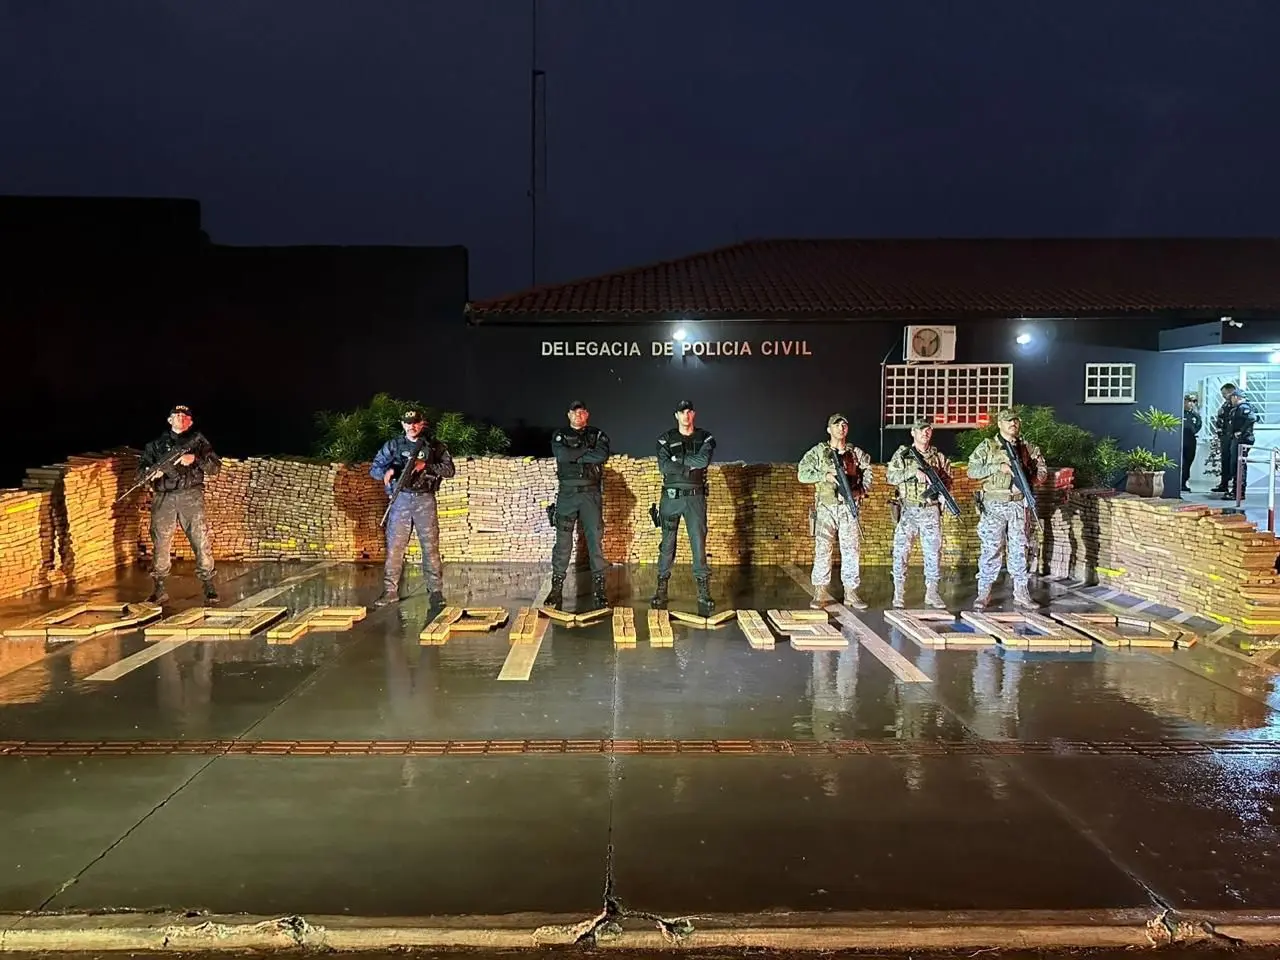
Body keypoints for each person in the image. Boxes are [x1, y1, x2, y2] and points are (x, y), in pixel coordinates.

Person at [370, 409, 455, 607]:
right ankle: (390, 591)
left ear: (422, 423)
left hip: (424, 500)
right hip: (401, 500)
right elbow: (375, 469)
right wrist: (388, 470)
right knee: (395, 549)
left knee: (430, 548)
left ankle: (435, 592)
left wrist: (425, 466)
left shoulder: (434, 446)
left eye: (416, 422)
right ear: (402, 424)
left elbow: (449, 470)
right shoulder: (393, 445)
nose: (412, 426)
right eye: (408, 423)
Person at [136, 405, 221, 604]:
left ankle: (208, 583)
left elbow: (215, 467)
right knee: (161, 542)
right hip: (164, 497)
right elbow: (141, 472)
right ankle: (159, 587)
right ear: (169, 420)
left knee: (200, 539)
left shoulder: (198, 443)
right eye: (176, 416)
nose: (180, 419)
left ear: (190, 422)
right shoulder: (155, 446)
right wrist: (151, 473)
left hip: (190, 495)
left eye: (185, 416)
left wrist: (195, 458)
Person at [965, 408, 1047, 611]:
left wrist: (1032, 476)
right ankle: (984, 593)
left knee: (1020, 548)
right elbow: (972, 470)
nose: (1013, 424)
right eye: (1008, 421)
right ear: (1000, 424)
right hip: (994, 504)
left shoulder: (1027, 447)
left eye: (1016, 421)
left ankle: (1021, 593)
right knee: (991, 549)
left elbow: (1042, 470)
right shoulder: (988, 446)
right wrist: (997, 467)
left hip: (1018, 503)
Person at [797, 414, 871, 609]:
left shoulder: (855, 453)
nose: (841, 428)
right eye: (836, 425)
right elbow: (802, 473)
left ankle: (851, 592)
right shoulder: (819, 452)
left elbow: (868, 472)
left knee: (851, 550)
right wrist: (824, 475)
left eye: (844, 425)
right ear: (829, 429)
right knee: (823, 549)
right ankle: (820, 591)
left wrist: (860, 491)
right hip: (826, 507)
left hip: (848, 507)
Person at [651, 400, 716, 615]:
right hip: (671, 499)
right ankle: (661, 589)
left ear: (693, 414)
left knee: (698, 545)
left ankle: (703, 592)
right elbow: (663, 466)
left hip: (695, 499)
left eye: (689, 411)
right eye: (682, 412)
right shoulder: (665, 438)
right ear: (676, 416)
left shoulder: (705, 437)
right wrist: (690, 464)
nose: (686, 415)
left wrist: (677, 460)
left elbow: (704, 460)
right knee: (667, 545)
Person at [546, 400, 611, 609]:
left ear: (587, 415)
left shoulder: (598, 434)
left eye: (581, 412)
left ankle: (600, 590)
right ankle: (556, 590)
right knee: (563, 543)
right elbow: (562, 455)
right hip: (567, 496)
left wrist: (575, 456)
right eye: (574, 412)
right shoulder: (560, 435)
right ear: (569, 415)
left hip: (590, 495)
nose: (578, 415)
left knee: (595, 542)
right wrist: (585, 453)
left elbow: (602, 455)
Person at [886, 419, 952, 610]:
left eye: (928, 430)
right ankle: (898, 593)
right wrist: (913, 471)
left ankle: (932, 593)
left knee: (933, 553)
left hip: (930, 510)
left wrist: (942, 493)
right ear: (913, 433)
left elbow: (948, 480)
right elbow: (891, 477)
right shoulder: (903, 455)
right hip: (909, 510)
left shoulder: (938, 457)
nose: (925, 433)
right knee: (901, 553)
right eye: (921, 430)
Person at [1222, 391, 1257, 500]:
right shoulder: (1238, 408)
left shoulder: (1243, 407)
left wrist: (1241, 432)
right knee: (1235, 465)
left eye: (1232, 398)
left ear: (1236, 397)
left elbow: (1252, 418)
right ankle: (1236, 491)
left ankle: (1239, 492)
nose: (1230, 401)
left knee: (1238, 465)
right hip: (1237, 440)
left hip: (1242, 440)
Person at [1210, 383, 1238, 493]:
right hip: (1225, 437)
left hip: (1233, 438)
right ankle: (1224, 484)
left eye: (1224, 394)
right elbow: (1221, 418)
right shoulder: (1226, 405)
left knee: (1234, 463)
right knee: (1225, 461)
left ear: (1231, 392)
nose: (1223, 396)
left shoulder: (1239, 405)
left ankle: (1235, 489)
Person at [1181, 395, 1202, 492]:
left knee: (1188, 462)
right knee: (1181, 462)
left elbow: (1198, 426)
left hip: (1191, 440)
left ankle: (1184, 482)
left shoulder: (1195, 415)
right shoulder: (1179, 413)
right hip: (1181, 440)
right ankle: (1179, 483)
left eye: (1193, 401)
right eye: (1189, 401)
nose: (1191, 403)